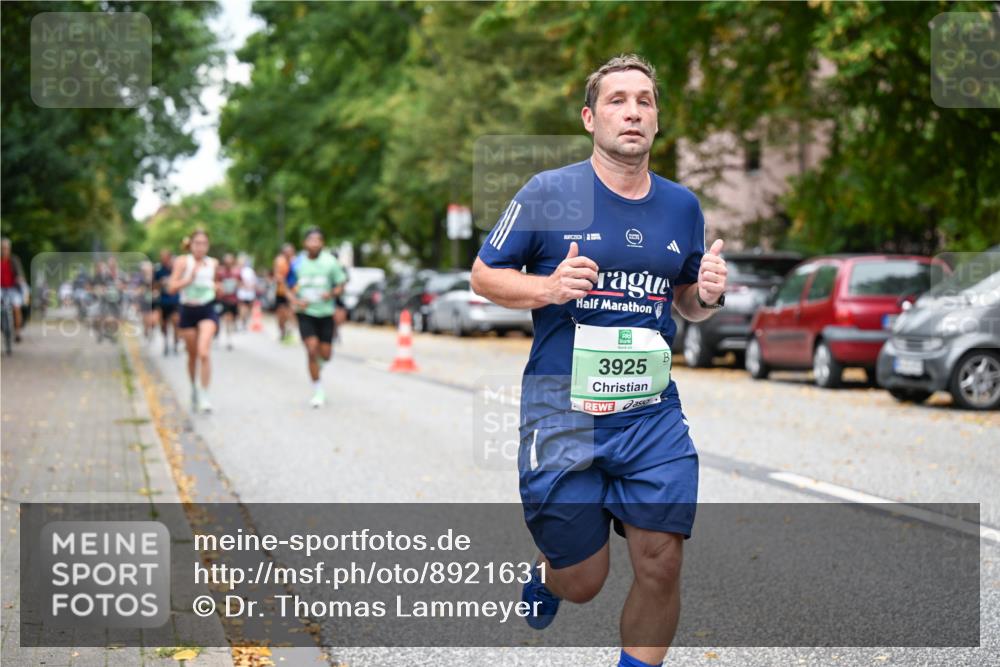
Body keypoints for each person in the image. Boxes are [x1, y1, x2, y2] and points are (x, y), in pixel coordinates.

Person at [470, 55, 728, 667]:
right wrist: (548, 289)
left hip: (649, 412)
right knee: (583, 579)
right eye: (617, 100)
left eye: (644, 100)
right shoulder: (549, 193)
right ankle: (548, 577)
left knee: (661, 560)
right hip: (563, 411)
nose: (632, 110)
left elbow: (687, 303)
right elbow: (484, 275)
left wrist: (708, 294)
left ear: (657, 120)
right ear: (591, 118)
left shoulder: (681, 207)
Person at [288, 228, 346, 408]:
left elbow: (340, 284)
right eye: (310, 240)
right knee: (311, 349)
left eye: (317, 240)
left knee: (326, 355)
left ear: (322, 243)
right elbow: (287, 286)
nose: (314, 243)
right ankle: (318, 389)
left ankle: (317, 366)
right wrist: (295, 300)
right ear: (305, 243)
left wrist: (332, 294)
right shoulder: (297, 263)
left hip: (326, 313)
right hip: (306, 313)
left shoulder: (330, 262)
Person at [168, 229, 220, 413]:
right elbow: (171, 287)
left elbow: (217, 285)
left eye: (204, 243)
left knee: (204, 352)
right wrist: (188, 279)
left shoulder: (213, 263)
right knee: (192, 356)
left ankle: (205, 394)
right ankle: (194, 388)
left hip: (207, 309)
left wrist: (217, 287)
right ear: (190, 244)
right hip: (188, 310)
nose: (200, 247)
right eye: (197, 243)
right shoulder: (183, 262)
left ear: (208, 245)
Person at [154, 249, 180, 356]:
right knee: (164, 324)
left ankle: (175, 344)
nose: (163, 259)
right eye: (162, 257)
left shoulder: (176, 269)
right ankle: (165, 343)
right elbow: (154, 285)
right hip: (163, 301)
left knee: (176, 322)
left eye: (165, 257)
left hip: (175, 300)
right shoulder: (158, 270)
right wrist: (160, 283)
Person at [1, 238, 27, 343]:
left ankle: (17, 332)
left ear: (9, 249)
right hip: (1, 289)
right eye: (2, 248)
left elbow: (20, 273)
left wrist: (20, 278)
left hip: (13, 289)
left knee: (16, 307)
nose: (4, 250)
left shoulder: (14, 260)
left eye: (6, 248)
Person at [216, 253, 241, 350]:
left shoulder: (237, 272)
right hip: (224, 299)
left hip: (234, 299)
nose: (228, 264)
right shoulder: (220, 272)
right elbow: (216, 282)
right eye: (226, 262)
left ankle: (229, 334)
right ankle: (228, 338)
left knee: (233, 318)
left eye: (230, 262)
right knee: (227, 318)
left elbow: (241, 283)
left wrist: (236, 284)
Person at [272, 243, 296, 343]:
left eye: (290, 251)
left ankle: (290, 330)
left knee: (291, 312)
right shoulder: (279, 261)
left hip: (293, 292)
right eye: (286, 251)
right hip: (281, 292)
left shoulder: (297, 261)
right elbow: (277, 276)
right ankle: (282, 331)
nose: (288, 253)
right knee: (281, 314)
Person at [235, 254, 258, 330]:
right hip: (244, 293)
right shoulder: (240, 270)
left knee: (245, 308)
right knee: (244, 308)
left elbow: (254, 282)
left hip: (247, 293)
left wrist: (249, 287)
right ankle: (242, 323)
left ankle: (243, 322)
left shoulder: (246, 270)